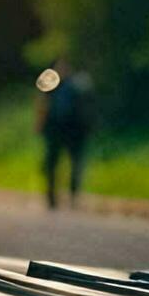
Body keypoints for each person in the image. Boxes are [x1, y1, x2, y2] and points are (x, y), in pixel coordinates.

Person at [35, 59, 94, 210]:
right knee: (53, 164)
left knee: (74, 164)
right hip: (56, 129)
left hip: (73, 130)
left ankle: (72, 196)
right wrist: (40, 124)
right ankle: (52, 197)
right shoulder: (53, 85)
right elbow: (42, 104)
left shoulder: (76, 86)